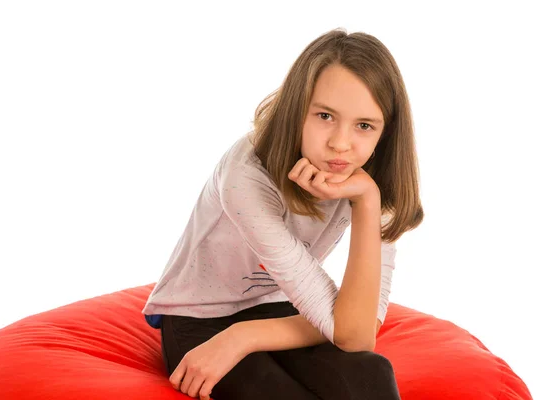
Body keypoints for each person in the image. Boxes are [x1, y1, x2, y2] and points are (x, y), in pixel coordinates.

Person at [142, 27, 424, 400]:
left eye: (364, 125)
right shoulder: (246, 176)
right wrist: (234, 337)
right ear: (297, 109)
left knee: (371, 373)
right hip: (198, 318)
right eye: (325, 115)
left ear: (384, 133)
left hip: (279, 309)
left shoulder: (373, 181)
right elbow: (350, 328)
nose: (340, 143)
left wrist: (368, 202)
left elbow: (359, 335)